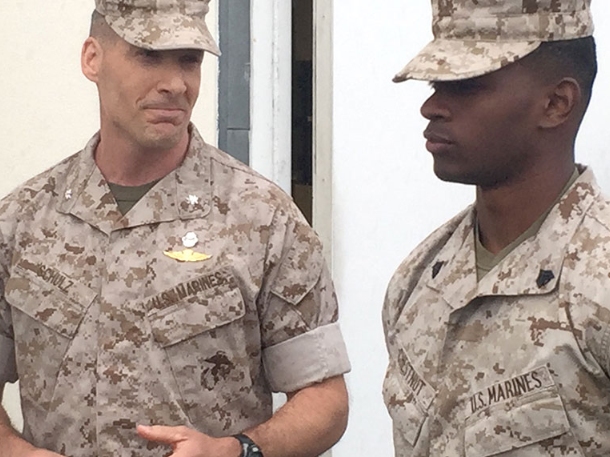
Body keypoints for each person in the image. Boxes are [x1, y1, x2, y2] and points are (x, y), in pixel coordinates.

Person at [0, 1, 351, 456]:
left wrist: (236, 450)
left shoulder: (262, 219)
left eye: (190, 60)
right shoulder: (24, 220)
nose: (175, 84)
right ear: (93, 58)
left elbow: (325, 399)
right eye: (148, 55)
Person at [383, 0, 610, 455]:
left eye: (465, 85)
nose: (431, 106)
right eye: (434, 84)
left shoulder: (598, 284)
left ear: (556, 103)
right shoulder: (419, 280)